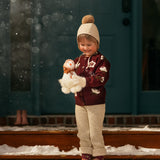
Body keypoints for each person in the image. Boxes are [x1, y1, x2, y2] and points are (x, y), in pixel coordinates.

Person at [73, 15, 111, 160]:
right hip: (80, 101)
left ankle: (99, 153)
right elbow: (73, 77)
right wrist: (69, 74)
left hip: (96, 101)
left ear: (97, 44)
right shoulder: (78, 60)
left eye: (89, 44)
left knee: (95, 130)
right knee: (83, 130)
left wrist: (83, 81)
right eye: (82, 44)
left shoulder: (101, 61)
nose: (86, 48)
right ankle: (86, 152)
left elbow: (100, 79)